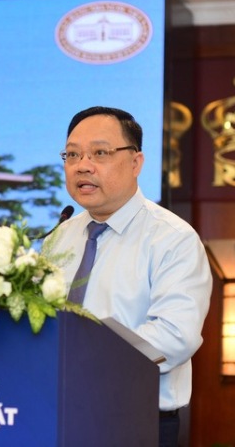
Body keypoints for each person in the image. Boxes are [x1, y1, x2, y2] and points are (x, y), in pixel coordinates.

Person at [44, 106, 212, 447]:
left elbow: (175, 336)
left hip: (132, 419)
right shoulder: (59, 236)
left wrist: (87, 366)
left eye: (100, 153)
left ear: (136, 163)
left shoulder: (172, 239)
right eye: (72, 154)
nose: (82, 165)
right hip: (55, 412)